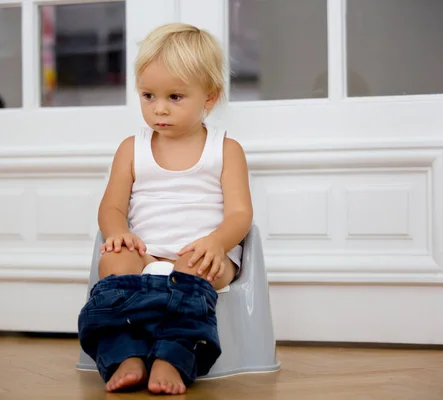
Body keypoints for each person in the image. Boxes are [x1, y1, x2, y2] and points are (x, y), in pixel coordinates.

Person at [77, 22, 253, 395]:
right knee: (113, 263)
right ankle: (126, 354)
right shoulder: (131, 148)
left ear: (209, 97)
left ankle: (173, 357)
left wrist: (217, 243)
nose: (159, 109)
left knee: (194, 271)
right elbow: (110, 207)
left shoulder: (225, 149)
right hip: (147, 252)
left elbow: (240, 214)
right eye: (148, 96)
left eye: (175, 97)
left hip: (201, 254)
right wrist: (118, 233)